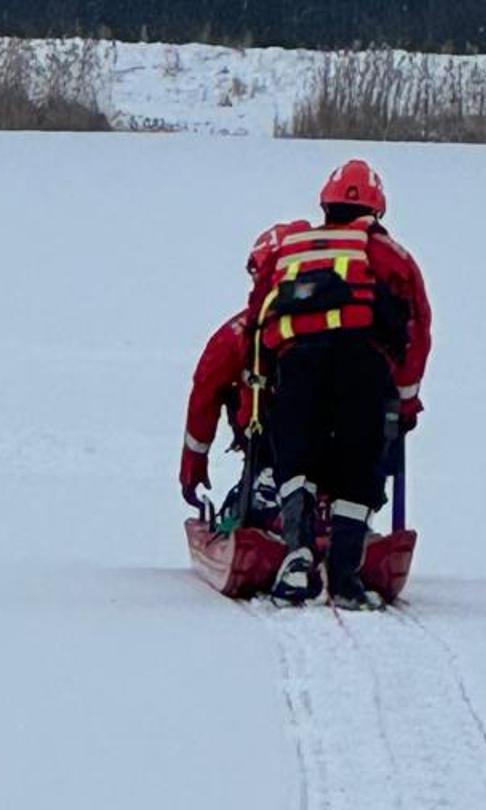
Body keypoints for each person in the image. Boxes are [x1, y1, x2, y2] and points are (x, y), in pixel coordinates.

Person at [245, 160, 432, 610]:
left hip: (295, 366)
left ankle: (298, 551)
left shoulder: (289, 249)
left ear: (325, 205)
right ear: (377, 210)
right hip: (362, 366)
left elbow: (256, 321)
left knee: (297, 461)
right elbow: (417, 330)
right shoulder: (389, 254)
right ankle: (345, 575)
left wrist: (263, 391)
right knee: (358, 464)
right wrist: (405, 403)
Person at [180, 222, 306, 528]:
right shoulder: (350, 329)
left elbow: (204, 397)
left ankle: (264, 492)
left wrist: (193, 465)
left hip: (266, 445)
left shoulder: (235, 334)